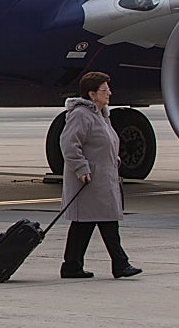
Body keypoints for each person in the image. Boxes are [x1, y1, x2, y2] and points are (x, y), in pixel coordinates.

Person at [59, 71, 143, 279]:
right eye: (104, 90)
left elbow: (105, 142)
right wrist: (81, 169)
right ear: (92, 94)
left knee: (85, 224)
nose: (109, 93)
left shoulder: (102, 114)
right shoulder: (81, 115)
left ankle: (72, 265)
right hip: (90, 180)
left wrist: (114, 161)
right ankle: (120, 264)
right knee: (106, 221)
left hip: (103, 178)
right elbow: (69, 144)